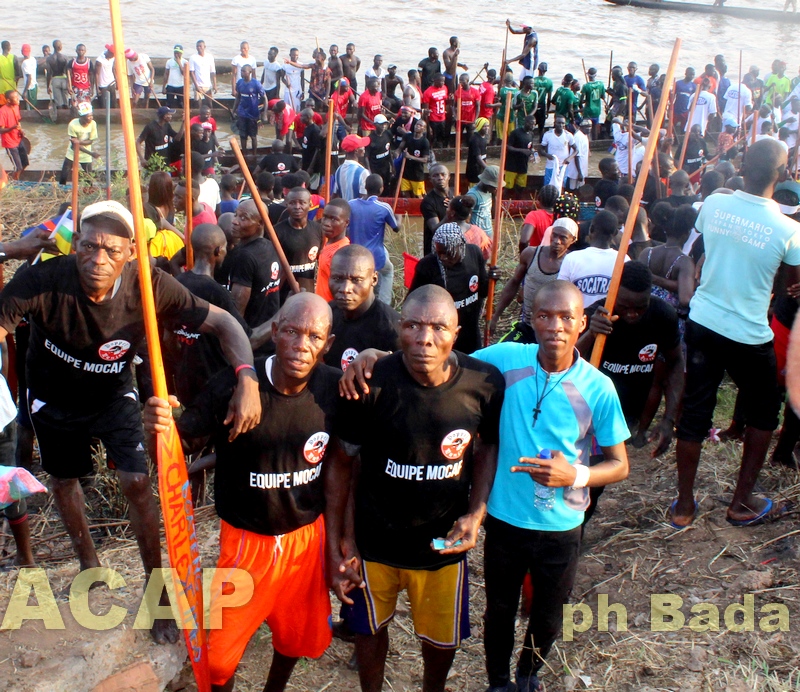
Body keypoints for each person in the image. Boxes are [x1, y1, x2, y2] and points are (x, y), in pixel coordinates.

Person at [0, 200, 260, 644]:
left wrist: (248, 378)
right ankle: (88, 564)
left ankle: (156, 591)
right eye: (89, 246)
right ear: (76, 244)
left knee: (139, 483)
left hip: (112, 393)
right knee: (64, 480)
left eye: (111, 250)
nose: (97, 260)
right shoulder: (43, 279)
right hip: (52, 397)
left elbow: (225, 325)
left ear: (131, 252)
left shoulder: (150, 285)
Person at [146, 292, 338, 692]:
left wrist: (371, 353)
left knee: (295, 638)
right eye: (291, 332)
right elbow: (182, 446)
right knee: (217, 662)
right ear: (274, 331)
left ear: (328, 344)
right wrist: (160, 425)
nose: (301, 345)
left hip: (306, 541)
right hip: (245, 543)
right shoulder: (231, 388)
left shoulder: (335, 390)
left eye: (314, 337)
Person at [325, 284, 505, 692]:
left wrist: (476, 514)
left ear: (456, 334)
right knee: (369, 630)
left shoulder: (484, 383)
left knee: (439, 641)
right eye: (413, 326)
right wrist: (342, 538)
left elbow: (488, 446)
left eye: (438, 328)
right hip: (374, 545)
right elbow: (341, 464)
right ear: (399, 329)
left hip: (441, 546)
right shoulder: (370, 383)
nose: (425, 338)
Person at [473, 281, 628, 692]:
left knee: (548, 613)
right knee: (499, 609)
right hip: (505, 519)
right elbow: (446, 363)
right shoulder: (507, 360)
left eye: (565, 318)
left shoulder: (599, 388)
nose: (555, 326)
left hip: (561, 525)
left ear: (582, 323)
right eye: (544, 316)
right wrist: (377, 355)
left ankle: (528, 675)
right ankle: (497, 681)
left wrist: (573, 475)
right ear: (532, 320)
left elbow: (619, 465)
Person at [672, 139, 800, 528]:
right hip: (748, 332)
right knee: (763, 413)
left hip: (704, 322)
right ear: (782, 175)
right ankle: (741, 501)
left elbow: (703, 247)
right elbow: (793, 285)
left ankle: (683, 506)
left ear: (743, 165)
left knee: (696, 409)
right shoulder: (788, 229)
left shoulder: (713, 204)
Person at [577, 261, 683, 463]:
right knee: (593, 472)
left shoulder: (662, 315)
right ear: (613, 293)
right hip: (592, 413)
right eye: (625, 307)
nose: (633, 314)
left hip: (628, 415)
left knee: (603, 477)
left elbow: (676, 363)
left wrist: (669, 418)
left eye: (640, 308)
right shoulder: (594, 315)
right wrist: (591, 333)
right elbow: (564, 360)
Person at [162, 223, 249, 406]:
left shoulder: (176, 285)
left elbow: (168, 337)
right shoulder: (218, 294)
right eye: (225, 247)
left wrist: (182, 361)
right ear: (218, 251)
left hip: (184, 379)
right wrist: (280, 316)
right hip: (214, 381)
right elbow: (246, 336)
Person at [489, 217, 579, 344]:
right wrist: (495, 315)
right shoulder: (531, 254)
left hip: (552, 332)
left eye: (563, 238)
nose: (556, 241)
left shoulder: (571, 264)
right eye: (554, 235)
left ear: (573, 240)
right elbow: (514, 283)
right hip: (527, 326)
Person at [409, 223, 488, 354]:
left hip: (470, 328)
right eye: (439, 253)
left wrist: (492, 280)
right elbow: (413, 300)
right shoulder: (428, 265)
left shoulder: (474, 253)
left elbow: (483, 291)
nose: (443, 258)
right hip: (442, 332)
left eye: (448, 253)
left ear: (460, 246)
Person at [324, 244, 400, 371]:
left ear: (374, 279)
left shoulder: (392, 329)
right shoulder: (326, 316)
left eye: (356, 280)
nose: (345, 289)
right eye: (337, 278)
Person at [226, 199, 283, 336]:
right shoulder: (271, 246)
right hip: (269, 331)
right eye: (236, 215)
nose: (235, 221)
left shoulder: (245, 257)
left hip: (252, 335)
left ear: (261, 223)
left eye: (243, 218)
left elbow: (237, 310)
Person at [558, 209, 628, 307]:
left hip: (578, 320)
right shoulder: (624, 260)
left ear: (591, 229)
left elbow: (560, 295)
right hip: (609, 321)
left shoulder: (572, 259)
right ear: (616, 233)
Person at [348, 174, 399, 305]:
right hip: (375, 257)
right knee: (388, 271)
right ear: (381, 189)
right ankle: (384, 304)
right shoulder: (384, 207)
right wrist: (399, 218)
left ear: (365, 187)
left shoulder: (351, 204)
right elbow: (396, 228)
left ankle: (372, 295)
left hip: (355, 255)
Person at [315, 199, 351, 302]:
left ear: (346, 222)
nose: (326, 223)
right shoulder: (329, 242)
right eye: (325, 217)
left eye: (333, 219)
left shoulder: (341, 254)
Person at [58, 101, 99, 185]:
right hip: (72, 153)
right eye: (88, 116)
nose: (91, 118)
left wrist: (79, 141)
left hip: (86, 155)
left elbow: (90, 141)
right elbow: (74, 145)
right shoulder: (73, 125)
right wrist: (91, 153)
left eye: (91, 116)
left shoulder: (93, 124)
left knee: (89, 177)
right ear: (82, 116)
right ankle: (61, 191)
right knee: (64, 175)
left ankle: (88, 192)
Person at [443, 195, 493, 260]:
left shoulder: (444, 233)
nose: (447, 210)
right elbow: (486, 255)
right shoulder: (479, 232)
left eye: (448, 208)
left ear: (452, 213)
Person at [234, 64, 267, 158]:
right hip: (242, 113)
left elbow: (265, 98)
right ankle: (244, 155)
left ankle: (254, 155)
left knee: (253, 136)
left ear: (250, 72)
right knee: (242, 135)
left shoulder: (256, 84)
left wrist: (264, 114)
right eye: (241, 71)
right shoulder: (239, 83)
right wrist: (233, 110)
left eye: (244, 71)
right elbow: (238, 97)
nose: (242, 73)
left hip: (253, 114)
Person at [421, 163, 452, 255]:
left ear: (449, 177)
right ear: (430, 179)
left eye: (443, 175)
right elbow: (435, 229)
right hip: (436, 250)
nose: (440, 178)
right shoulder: (428, 202)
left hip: (453, 245)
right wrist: (451, 212)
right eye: (436, 175)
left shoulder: (453, 194)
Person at [538, 115, 575, 189]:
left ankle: (561, 200)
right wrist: (547, 155)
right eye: (559, 123)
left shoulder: (568, 135)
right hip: (550, 165)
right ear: (554, 123)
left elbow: (576, 150)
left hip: (563, 166)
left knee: (562, 185)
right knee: (548, 186)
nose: (561, 125)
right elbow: (540, 150)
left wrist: (569, 158)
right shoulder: (548, 135)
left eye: (563, 123)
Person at [397, 119, 430, 199]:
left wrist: (410, 157)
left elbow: (425, 160)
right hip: (405, 171)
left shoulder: (424, 142)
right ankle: (408, 210)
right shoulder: (408, 136)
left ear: (424, 129)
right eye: (416, 124)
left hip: (417, 174)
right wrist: (397, 152)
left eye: (420, 125)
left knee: (418, 195)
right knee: (405, 193)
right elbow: (400, 147)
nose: (417, 126)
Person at [519, 184, 560, 249]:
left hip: (537, 256)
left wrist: (525, 256)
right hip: (556, 257)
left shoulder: (534, 215)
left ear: (539, 198)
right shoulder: (561, 216)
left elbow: (524, 241)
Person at [466, 165, 502, 237]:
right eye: (494, 186)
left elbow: (494, 214)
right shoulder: (473, 195)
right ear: (486, 182)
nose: (496, 188)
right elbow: (466, 218)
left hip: (488, 234)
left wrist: (495, 196)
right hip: (477, 236)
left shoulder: (489, 192)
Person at [333, 134, 370, 201]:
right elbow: (364, 199)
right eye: (362, 146)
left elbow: (335, 194)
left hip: (344, 210)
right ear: (356, 151)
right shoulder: (363, 172)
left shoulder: (339, 170)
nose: (364, 148)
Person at [0, 90, 27, 180]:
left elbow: (17, 121)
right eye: (15, 98)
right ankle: (15, 182)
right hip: (10, 143)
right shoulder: (2, 111)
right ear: (8, 100)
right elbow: (1, 130)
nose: (18, 99)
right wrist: (13, 127)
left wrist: (21, 130)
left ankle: (18, 178)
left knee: (25, 163)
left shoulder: (16, 106)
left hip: (18, 138)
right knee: (18, 167)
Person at [366, 114, 393, 190]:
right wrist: (369, 171)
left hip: (386, 168)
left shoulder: (387, 134)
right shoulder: (370, 138)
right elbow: (366, 157)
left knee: (386, 187)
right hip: (375, 169)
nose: (383, 126)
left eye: (385, 124)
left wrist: (392, 166)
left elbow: (389, 150)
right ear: (375, 125)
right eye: (381, 124)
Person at [422, 73, 449, 147]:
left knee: (442, 136)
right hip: (433, 119)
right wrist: (427, 125)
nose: (442, 83)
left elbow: (446, 101)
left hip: (442, 117)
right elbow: (426, 110)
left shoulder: (444, 88)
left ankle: (441, 150)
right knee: (433, 137)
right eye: (441, 81)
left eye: (443, 81)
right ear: (435, 81)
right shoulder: (428, 92)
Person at [580, 67, 606, 140]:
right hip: (597, 110)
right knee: (595, 127)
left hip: (588, 110)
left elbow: (581, 100)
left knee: (586, 128)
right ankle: (595, 141)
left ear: (588, 75)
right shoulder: (601, 84)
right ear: (595, 75)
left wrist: (582, 105)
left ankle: (588, 142)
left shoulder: (586, 86)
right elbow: (603, 97)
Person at [189, 40, 217, 106]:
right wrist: (196, 86)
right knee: (198, 105)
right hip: (198, 86)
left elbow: (213, 72)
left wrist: (215, 85)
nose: (199, 48)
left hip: (208, 86)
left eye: (200, 46)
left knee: (209, 104)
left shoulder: (210, 57)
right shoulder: (193, 57)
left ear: (204, 47)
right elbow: (192, 73)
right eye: (197, 46)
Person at [566, 120, 590, 191]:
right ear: (581, 127)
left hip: (581, 168)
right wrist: (579, 172)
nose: (589, 128)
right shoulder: (578, 137)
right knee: (573, 189)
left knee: (580, 188)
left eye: (590, 126)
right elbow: (577, 155)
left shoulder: (584, 135)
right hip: (576, 170)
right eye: (587, 127)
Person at [454, 73, 480, 138]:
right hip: (461, 119)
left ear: (467, 80)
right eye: (460, 81)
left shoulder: (475, 92)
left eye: (463, 81)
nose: (461, 83)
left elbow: (477, 107)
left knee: (470, 138)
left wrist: (475, 120)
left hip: (471, 120)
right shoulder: (457, 92)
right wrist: (455, 116)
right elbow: (454, 106)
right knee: (458, 137)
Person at [46, 40, 69, 109]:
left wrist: (48, 86)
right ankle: (67, 116)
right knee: (66, 101)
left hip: (55, 79)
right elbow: (68, 72)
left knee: (58, 102)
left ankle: (60, 116)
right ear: (60, 47)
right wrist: (69, 84)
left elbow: (49, 73)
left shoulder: (49, 58)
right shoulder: (65, 57)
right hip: (64, 79)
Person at [532, 62, 553, 140]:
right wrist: (547, 110)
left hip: (534, 105)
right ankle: (541, 141)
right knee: (541, 126)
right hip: (542, 105)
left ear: (538, 69)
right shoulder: (549, 82)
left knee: (532, 124)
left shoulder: (533, 81)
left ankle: (531, 141)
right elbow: (549, 98)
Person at [466, 117, 490, 185]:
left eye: (487, 126)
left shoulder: (483, 138)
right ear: (479, 127)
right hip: (474, 171)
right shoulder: (475, 139)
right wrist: (488, 169)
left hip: (481, 170)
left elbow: (483, 156)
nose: (487, 128)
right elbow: (478, 158)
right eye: (484, 126)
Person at [95, 44, 116, 109]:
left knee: (113, 103)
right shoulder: (100, 60)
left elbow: (113, 69)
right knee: (103, 105)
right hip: (103, 85)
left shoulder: (112, 58)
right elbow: (96, 74)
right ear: (109, 52)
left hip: (111, 82)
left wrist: (116, 80)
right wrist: (97, 88)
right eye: (112, 55)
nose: (113, 56)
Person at [19, 44, 37, 109]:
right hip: (34, 86)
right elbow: (29, 73)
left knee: (30, 108)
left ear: (21, 52)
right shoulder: (33, 59)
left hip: (29, 88)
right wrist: (19, 77)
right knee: (33, 105)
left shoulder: (25, 63)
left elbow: (29, 77)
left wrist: (24, 91)